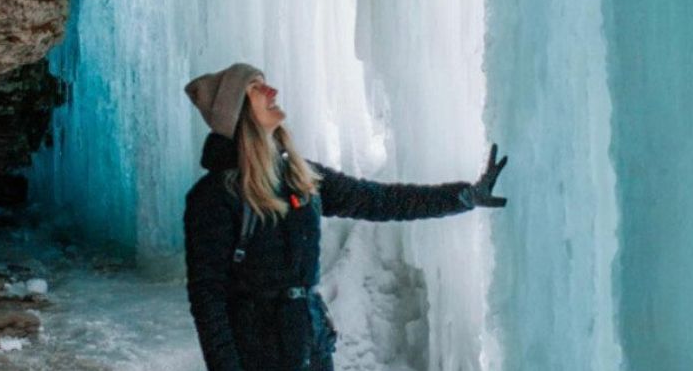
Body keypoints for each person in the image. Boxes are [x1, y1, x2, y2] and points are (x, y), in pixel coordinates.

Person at [183, 62, 508, 371]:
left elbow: (379, 201)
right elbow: (208, 299)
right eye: (256, 87)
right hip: (258, 355)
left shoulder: (300, 176)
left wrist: (463, 196)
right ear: (236, 111)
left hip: (312, 347)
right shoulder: (214, 198)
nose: (272, 91)